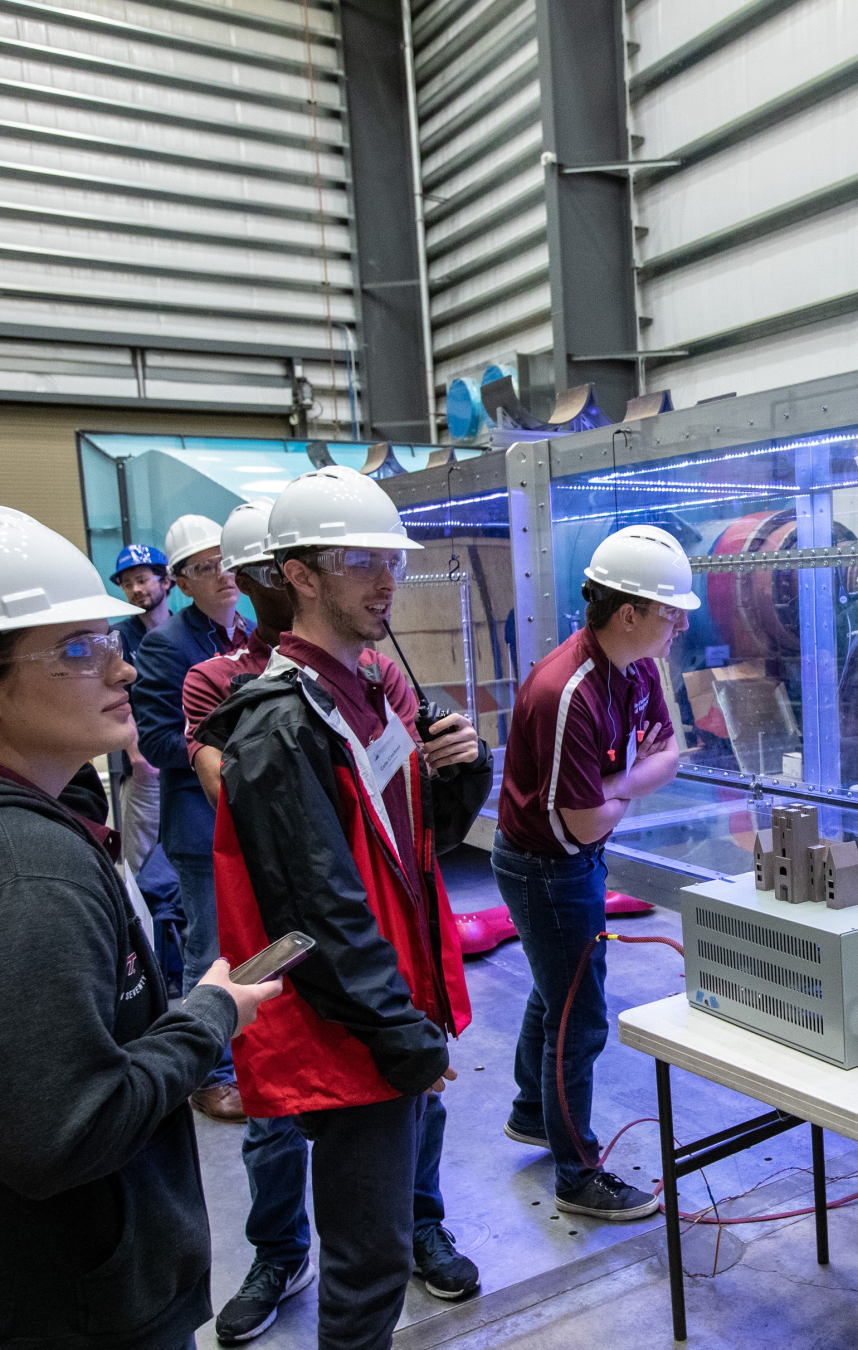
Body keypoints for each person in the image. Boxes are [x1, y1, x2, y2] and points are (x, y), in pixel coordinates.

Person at [198, 466, 492, 1350]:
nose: (385, 578)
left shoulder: (361, 689)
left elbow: (405, 851)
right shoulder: (280, 720)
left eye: (390, 558)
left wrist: (461, 776)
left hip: (382, 1002)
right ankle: (278, 1258)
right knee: (366, 1271)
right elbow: (314, 907)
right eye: (358, 559)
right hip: (351, 1018)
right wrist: (396, 1027)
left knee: (379, 1247)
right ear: (299, 575)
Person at [0, 508, 278, 1350]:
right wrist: (207, 1017)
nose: (121, 666)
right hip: (85, 1306)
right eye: (78, 649)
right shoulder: (31, 876)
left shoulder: (60, 811)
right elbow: (65, 1133)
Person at [493, 524, 690, 1219]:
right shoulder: (566, 691)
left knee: (556, 991)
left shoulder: (638, 667)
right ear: (629, 612)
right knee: (579, 1018)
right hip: (548, 867)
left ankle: (530, 1111)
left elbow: (673, 752)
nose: (681, 623)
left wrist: (617, 786)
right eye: (670, 611)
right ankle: (577, 1177)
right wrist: (631, 785)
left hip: (572, 858)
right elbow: (583, 822)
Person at [132, 513, 253, 1123]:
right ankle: (210, 1076)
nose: (223, 575)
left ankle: (250, 1055)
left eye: (227, 561)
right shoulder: (166, 647)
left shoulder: (252, 632)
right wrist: (213, 748)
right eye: (205, 567)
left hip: (252, 814)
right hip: (199, 823)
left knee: (256, 941)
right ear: (180, 581)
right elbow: (153, 740)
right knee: (210, 947)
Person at [110, 543, 173, 873]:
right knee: (142, 861)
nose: (135, 589)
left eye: (142, 579)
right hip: (144, 766)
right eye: (127, 583)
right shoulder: (117, 637)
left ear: (166, 580)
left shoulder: (184, 632)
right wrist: (137, 756)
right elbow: (116, 696)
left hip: (185, 760)